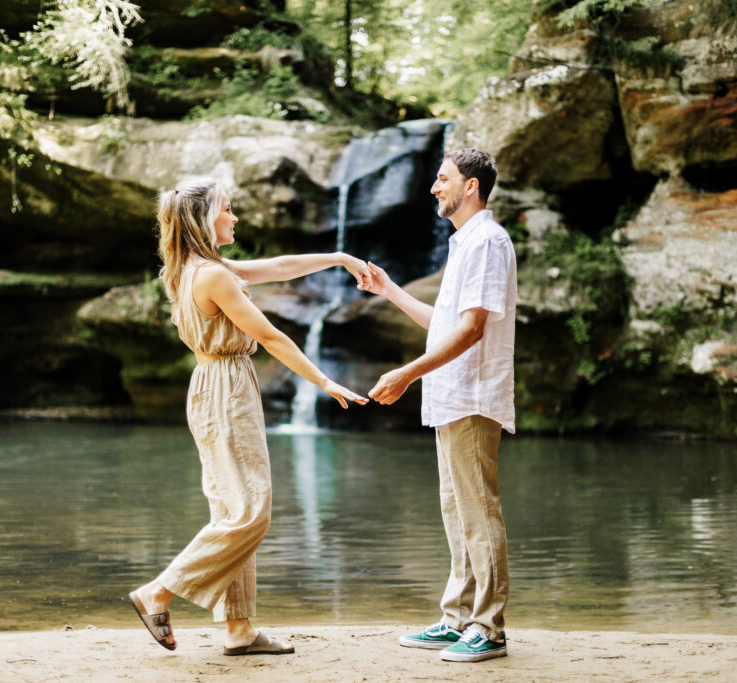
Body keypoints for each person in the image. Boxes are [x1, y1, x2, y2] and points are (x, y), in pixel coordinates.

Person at [129, 177, 369, 656]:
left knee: (231, 509)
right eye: (227, 208)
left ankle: (238, 628)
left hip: (212, 384)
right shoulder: (213, 275)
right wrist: (324, 381)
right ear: (204, 218)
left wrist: (339, 257)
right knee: (251, 512)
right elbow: (271, 336)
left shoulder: (195, 268)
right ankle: (159, 590)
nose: (234, 217)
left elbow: (279, 267)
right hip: (227, 388)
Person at [363, 149, 516, 663]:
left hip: (472, 395)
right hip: (451, 397)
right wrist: (388, 290)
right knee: (457, 513)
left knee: (478, 511)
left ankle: (488, 628)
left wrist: (407, 373)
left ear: (471, 186)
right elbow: (446, 322)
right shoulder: (465, 242)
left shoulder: (488, 242)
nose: (434, 187)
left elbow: (472, 330)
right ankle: (458, 618)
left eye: (443, 178)